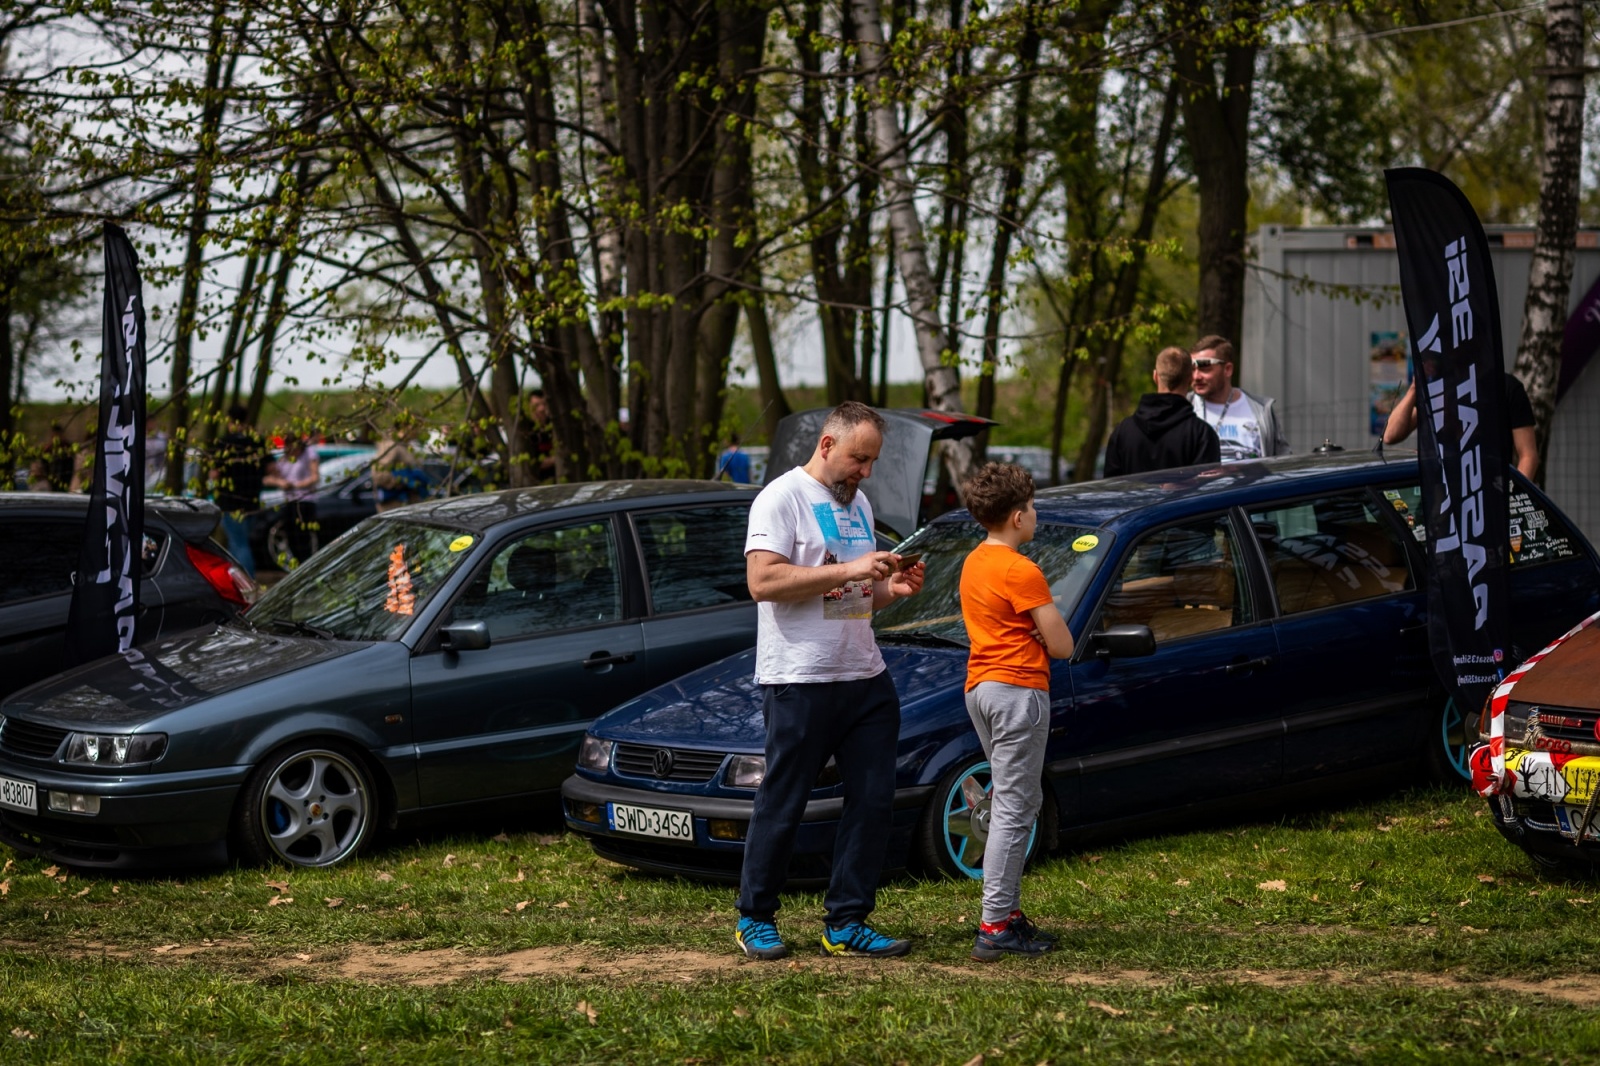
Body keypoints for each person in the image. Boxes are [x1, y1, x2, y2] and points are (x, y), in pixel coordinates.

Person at [735, 400, 925, 961]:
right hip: (799, 677)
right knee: (784, 799)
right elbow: (763, 581)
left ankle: (846, 922)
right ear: (826, 445)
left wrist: (892, 591)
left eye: (871, 462)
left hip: (864, 675)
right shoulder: (780, 498)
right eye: (858, 459)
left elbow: (853, 598)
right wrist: (851, 570)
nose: (864, 472)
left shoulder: (858, 504)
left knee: (872, 800)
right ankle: (756, 918)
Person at [958, 462, 1076, 961]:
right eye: (1032, 508)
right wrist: (1042, 633)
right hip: (1017, 691)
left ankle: (1004, 914)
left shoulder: (973, 563)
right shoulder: (1021, 569)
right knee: (1013, 806)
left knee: (1013, 800)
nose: (1035, 516)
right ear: (1017, 516)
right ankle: (995, 922)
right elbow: (1064, 644)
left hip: (981, 689)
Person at [1381, 374, 1539, 479]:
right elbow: (1390, 435)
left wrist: (1514, 498)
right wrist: (1414, 388)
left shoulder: (1506, 386)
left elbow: (1528, 455)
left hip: (1490, 492)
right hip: (1443, 497)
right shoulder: (1439, 388)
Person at [1104, 347, 1222, 476]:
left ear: (1155, 376)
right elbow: (1207, 491)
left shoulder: (1123, 432)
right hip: (1181, 497)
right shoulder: (1202, 435)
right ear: (1190, 379)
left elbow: (1111, 489)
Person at [1187, 335, 1289, 461]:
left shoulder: (1260, 410)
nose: (1196, 376)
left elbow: (1283, 462)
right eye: (1191, 369)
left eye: (1205, 368)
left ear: (1228, 369)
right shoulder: (1184, 409)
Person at [211, 405, 270, 577]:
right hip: (252, 500)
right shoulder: (257, 442)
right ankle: (234, 579)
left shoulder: (224, 443)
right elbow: (271, 467)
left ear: (229, 420)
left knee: (239, 543)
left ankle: (247, 580)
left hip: (229, 501)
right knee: (236, 543)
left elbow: (214, 473)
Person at [264, 435, 320, 564]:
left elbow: (314, 477)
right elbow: (268, 478)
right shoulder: (284, 460)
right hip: (289, 501)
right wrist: (280, 482)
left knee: (303, 538)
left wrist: (296, 485)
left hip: (305, 500)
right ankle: (299, 565)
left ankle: (308, 564)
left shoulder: (308, 454)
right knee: (291, 537)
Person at [372, 424, 427, 512]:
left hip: (408, 503)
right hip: (395, 503)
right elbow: (378, 473)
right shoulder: (391, 446)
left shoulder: (406, 446)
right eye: (415, 427)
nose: (418, 431)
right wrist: (401, 481)